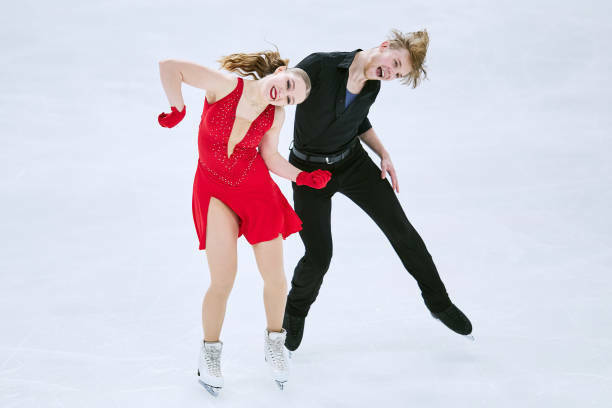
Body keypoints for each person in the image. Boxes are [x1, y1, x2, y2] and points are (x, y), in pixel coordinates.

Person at [283, 29, 473, 352]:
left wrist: (382, 153)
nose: (391, 74)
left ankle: (439, 303)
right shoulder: (320, 66)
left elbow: (357, 121)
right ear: (384, 47)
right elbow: (282, 91)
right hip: (308, 172)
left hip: (351, 163)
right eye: (395, 64)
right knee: (319, 256)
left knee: (402, 231)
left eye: (398, 74)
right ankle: (294, 314)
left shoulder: (372, 86)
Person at [157, 50, 332, 394]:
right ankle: (209, 353)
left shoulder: (274, 115)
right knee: (223, 279)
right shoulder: (224, 86)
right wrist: (178, 108)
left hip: (256, 192)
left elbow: (271, 157)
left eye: (291, 99)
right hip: (214, 191)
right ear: (281, 72)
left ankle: (274, 344)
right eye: (288, 85)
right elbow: (169, 67)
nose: (283, 95)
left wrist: (302, 177)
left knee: (276, 279)